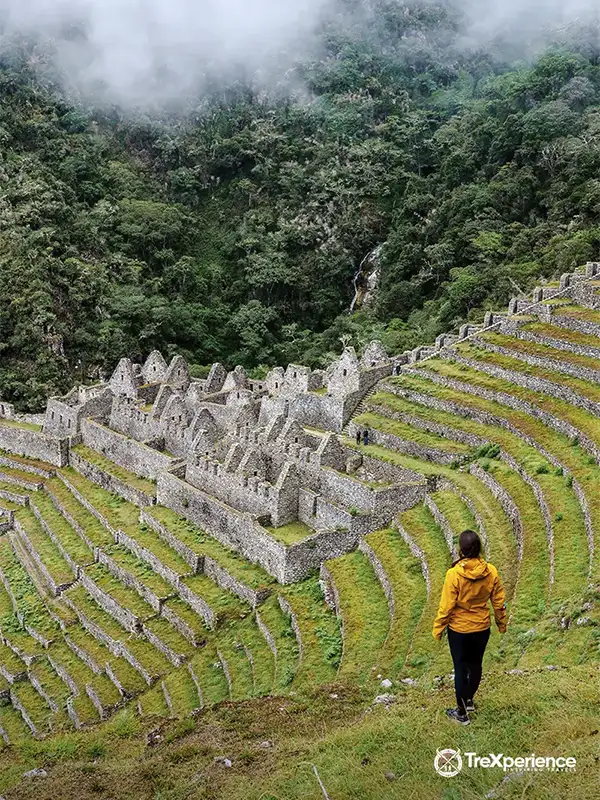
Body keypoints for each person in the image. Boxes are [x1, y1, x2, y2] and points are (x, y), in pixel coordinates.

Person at [432, 530, 507, 725]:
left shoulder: (454, 574)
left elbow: (446, 605)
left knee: (460, 668)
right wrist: (501, 622)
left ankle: (461, 713)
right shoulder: (491, 571)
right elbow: (499, 601)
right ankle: (470, 700)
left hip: (459, 630)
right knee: (475, 665)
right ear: (479, 547)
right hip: (481, 628)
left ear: (461, 550)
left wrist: (438, 628)